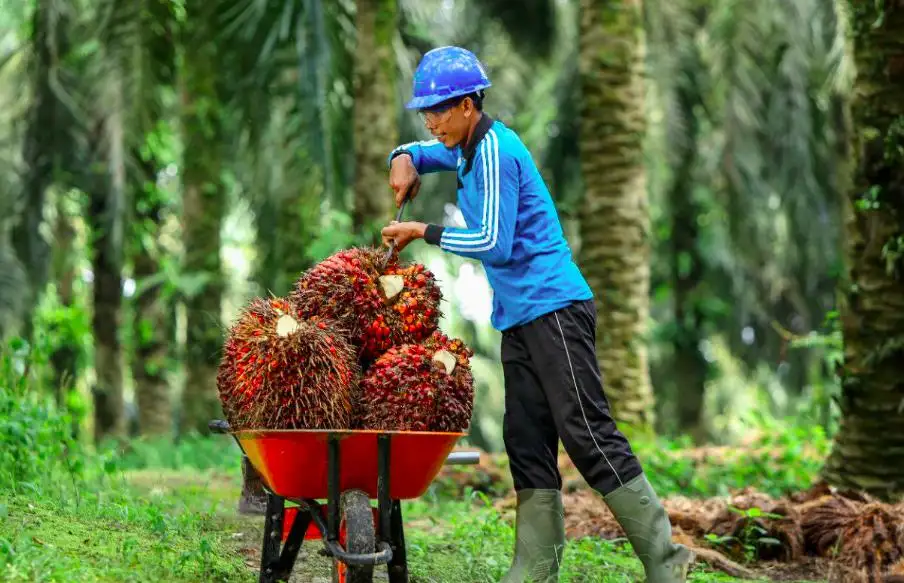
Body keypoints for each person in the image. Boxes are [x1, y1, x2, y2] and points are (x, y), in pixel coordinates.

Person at [380, 46, 695, 583]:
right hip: (519, 318)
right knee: (526, 438)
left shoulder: (498, 150)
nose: (431, 121)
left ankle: (668, 563)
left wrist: (420, 231)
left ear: (469, 105)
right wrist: (401, 158)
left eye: (440, 110)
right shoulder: (461, 148)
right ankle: (533, 570)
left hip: (555, 310)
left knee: (587, 435)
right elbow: (414, 151)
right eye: (425, 111)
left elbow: (493, 243)